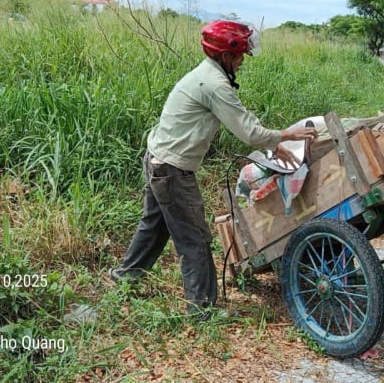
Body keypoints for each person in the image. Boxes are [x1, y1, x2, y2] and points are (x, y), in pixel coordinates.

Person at [110, 20, 317, 318]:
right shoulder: (215, 84)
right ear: (225, 57)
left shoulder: (208, 75)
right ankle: (201, 309)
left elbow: (244, 120)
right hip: (172, 168)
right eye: (240, 56)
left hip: (158, 159)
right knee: (194, 237)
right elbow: (249, 132)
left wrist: (276, 145)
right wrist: (288, 135)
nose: (243, 61)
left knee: (154, 226)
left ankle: (126, 277)